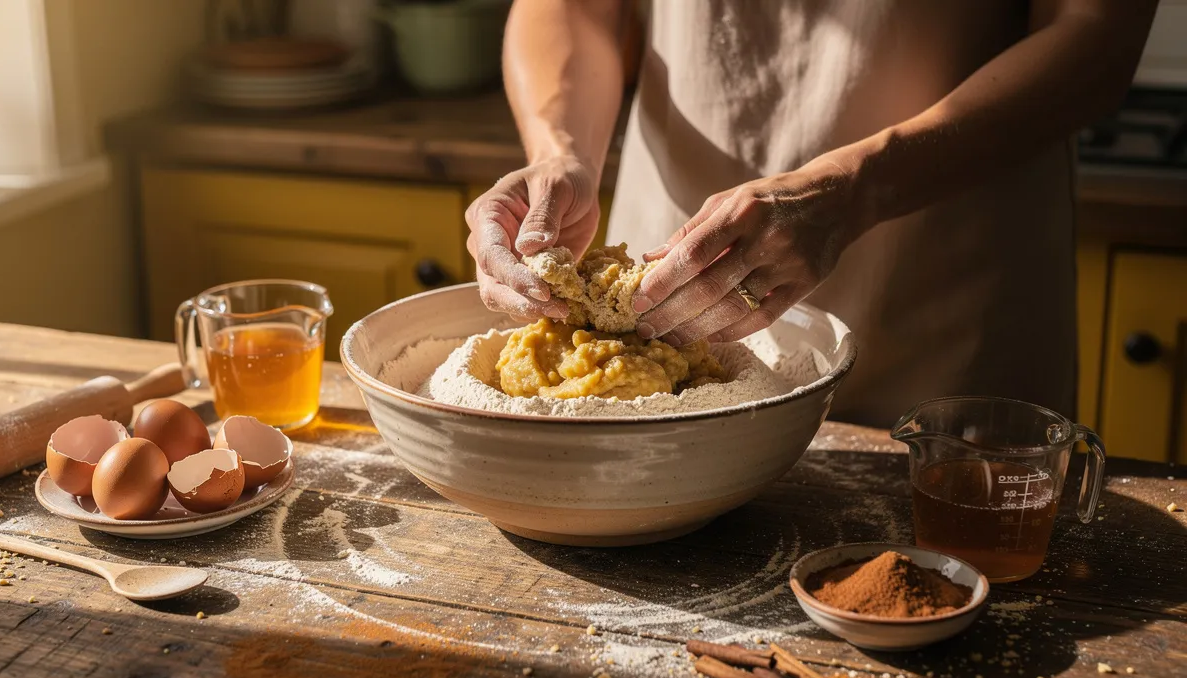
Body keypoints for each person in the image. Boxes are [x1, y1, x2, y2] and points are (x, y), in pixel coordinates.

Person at [464, 0, 1158, 427]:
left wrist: (861, 187)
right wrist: (561, 150)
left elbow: (1098, 35)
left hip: (943, 290)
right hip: (673, 273)